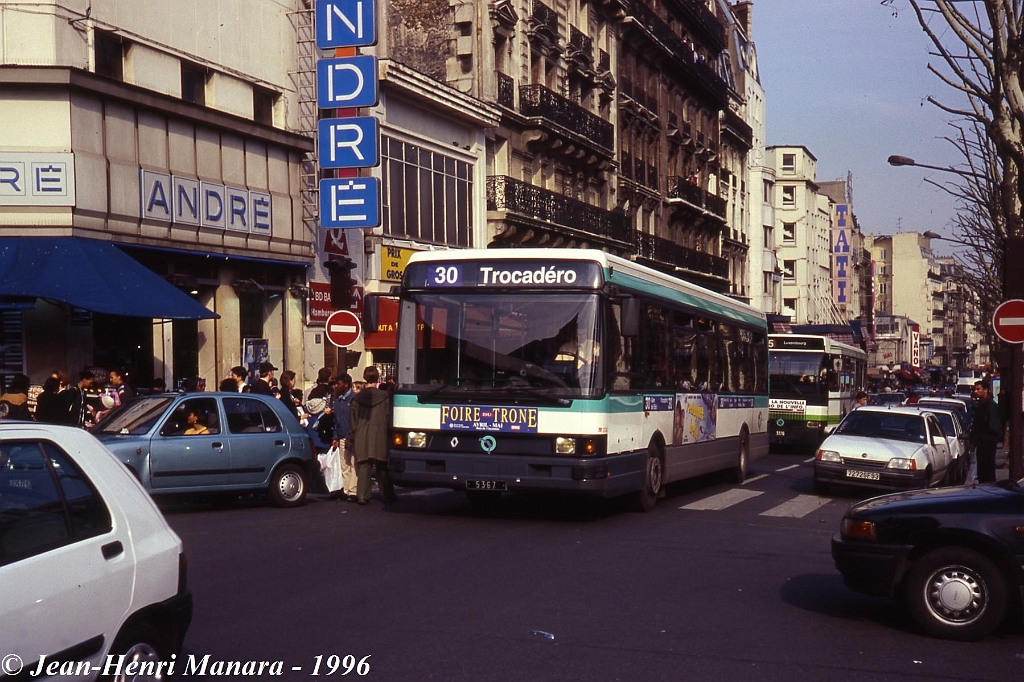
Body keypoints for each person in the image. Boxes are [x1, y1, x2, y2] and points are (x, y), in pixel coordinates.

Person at [349, 366, 395, 505]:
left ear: (364, 377)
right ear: (377, 378)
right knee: (382, 466)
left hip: (361, 434)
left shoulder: (357, 399)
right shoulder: (385, 397)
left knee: (364, 465)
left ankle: (362, 495)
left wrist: (351, 439)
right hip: (380, 433)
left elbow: (353, 421)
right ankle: (387, 494)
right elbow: (389, 418)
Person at [970, 379, 1004, 484]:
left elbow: (993, 426)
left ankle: (989, 486)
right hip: (981, 442)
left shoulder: (991, 406)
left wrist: (983, 437)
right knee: (982, 469)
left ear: (986, 390)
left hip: (988, 442)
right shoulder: (980, 405)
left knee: (987, 468)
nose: (975, 391)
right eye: (975, 389)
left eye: (978, 389)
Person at [330, 373, 356, 501]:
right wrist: (335, 437)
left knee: (354, 464)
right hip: (341, 436)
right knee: (344, 465)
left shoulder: (354, 399)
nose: (336, 386)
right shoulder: (337, 400)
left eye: (338, 383)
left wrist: (353, 436)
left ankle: (354, 491)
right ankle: (346, 490)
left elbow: (356, 420)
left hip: (352, 436)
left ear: (346, 384)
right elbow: (336, 420)